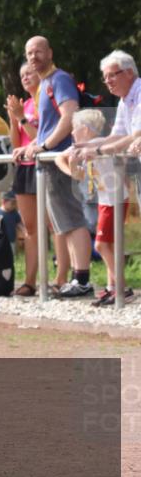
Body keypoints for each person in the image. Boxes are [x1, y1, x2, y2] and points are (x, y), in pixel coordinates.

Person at [13, 35, 94, 298]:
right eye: (29, 53)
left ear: (50, 52)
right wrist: (33, 145)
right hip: (50, 160)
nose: (33, 56)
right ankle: (76, 278)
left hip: (60, 160)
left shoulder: (58, 80)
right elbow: (47, 127)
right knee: (64, 223)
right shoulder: (45, 84)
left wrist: (45, 146)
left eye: (38, 51)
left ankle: (82, 279)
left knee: (72, 219)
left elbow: (70, 115)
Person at [57, 109, 133, 306]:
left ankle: (122, 288)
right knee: (109, 245)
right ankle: (112, 287)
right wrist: (72, 168)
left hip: (115, 200)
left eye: (75, 128)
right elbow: (63, 161)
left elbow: (103, 147)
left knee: (100, 245)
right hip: (106, 200)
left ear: (85, 129)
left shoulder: (98, 142)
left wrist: (77, 161)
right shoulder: (86, 146)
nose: (72, 133)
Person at [5, 62, 54, 295]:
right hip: (24, 168)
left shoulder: (45, 101)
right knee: (30, 227)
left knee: (53, 224)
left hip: (44, 164)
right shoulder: (23, 105)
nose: (25, 77)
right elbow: (16, 143)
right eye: (22, 74)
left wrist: (21, 118)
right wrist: (13, 118)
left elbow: (42, 137)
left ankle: (61, 278)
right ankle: (30, 281)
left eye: (29, 73)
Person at [72, 50, 141, 201]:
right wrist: (88, 145)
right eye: (105, 77)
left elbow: (136, 136)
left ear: (129, 72)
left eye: (112, 75)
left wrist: (97, 150)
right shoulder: (124, 100)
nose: (107, 81)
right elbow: (117, 136)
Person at [0, 191, 26, 255]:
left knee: (11, 255)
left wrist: (24, 231)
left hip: (11, 241)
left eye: (15, 203)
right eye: (12, 203)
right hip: (0, 242)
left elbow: (19, 223)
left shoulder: (14, 213)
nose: (14, 206)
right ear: (4, 202)